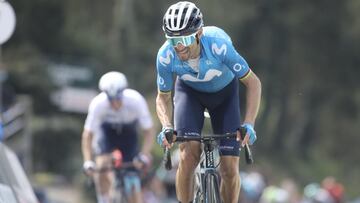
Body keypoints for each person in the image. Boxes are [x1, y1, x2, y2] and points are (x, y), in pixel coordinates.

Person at [155, 1, 262, 203]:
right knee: (188, 155)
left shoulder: (218, 44)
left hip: (225, 96)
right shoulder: (165, 56)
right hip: (189, 95)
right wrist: (167, 125)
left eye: (184, 39)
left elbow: (254, 83)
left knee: (230, 167)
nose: (178, 47)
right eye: (172, 40)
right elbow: (163, 97)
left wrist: (249, 123)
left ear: (198, 33)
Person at [81, 71, 155, 203]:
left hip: (129, 134)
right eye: (111, 100)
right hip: (107, 132)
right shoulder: (98, 104)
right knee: (101, 166)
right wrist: (87, 161)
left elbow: (149, 131)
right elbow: (88, 135)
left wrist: (144, 154)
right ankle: (104, 199)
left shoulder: (136, 100)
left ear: (123, 93)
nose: (115, 104)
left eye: (118, 99)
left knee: (133, 179)